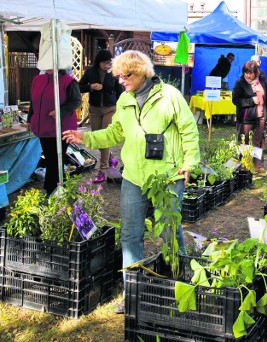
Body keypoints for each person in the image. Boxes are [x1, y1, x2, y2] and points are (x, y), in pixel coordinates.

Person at [62, 50, 200, 314]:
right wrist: (86, 139)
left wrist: (188, 163)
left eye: (125, 75)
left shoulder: (170, 96)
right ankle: (132, 291)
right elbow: (115, 132)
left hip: (167, 176)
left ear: (141, 72)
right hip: (134, 177)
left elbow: (188, 130)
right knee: (130, 235)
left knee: (169, 231)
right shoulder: (124, 99)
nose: (121, 80)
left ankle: (181, 281)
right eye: (118, 76)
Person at [28, 69, 82, 195]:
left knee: (56, 160)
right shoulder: (38, 80)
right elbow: (33, 102)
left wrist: (60, 111)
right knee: (50, 159)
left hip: (62, 128)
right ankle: (53, 189)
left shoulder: (68, 81)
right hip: (43, 126)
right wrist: (29, 119)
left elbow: (76, 101)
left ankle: (53, 190)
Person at [78, 50, 124, 183]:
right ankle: (111, 158)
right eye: (105, 63)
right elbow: (79, 87)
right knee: (97, 138)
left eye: (109, 62)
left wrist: (120, 108)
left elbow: (120, 92)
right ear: (98, 62)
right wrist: (90, 86)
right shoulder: (90, 72)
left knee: (104, 138)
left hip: (110, 108)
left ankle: (103, 169)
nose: (107, 65)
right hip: (94, 109)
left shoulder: (114, 73)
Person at [232, 61, 267, 172]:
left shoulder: (261, 81)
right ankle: (243, 166)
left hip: (260, 116)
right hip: (245, 118)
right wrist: (251, 101)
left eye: (251, 73)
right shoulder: (240, 83)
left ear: (256, 72)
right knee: (244, 142)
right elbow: (235, 100)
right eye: (246, 72)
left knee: (257, 142)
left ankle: (258, 165)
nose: (248, 75)